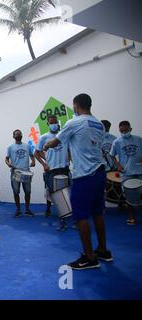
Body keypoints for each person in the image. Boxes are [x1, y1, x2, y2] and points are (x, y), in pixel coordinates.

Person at [43, 93, 112, 270]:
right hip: (100, 173)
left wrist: (45, 146)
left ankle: (89, 258)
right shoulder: (98, 124)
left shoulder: (74, 122)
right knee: (97, 213)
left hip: (84, 175)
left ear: (76, 106)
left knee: (80, 215)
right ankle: (103, 250)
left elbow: (56, 141)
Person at [34, 115, 71, 231]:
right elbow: (36, 153)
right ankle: (62, 221)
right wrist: (45, 164)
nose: (53, 124)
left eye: (55, 122)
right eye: (51, 123)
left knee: (68, 194)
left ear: (58, 123)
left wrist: (69, 159)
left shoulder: (64, 136)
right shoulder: (44, 137)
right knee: (56, 195)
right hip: (51, 170)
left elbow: (70, 150)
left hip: (64, 169)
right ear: (48, 124)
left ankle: (70, 218)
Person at [110, 121, 142, 225]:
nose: (124, 132)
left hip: (139, 171)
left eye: (126, 130)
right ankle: (132, 217)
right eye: (121, 131)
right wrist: (118, 165)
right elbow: (111, 155)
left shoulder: (139, 139)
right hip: (126, 173)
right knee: (128, 197)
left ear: (130, 129)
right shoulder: (117, 142)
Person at [5, 129, 36, 217]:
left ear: (22, 135)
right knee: (16, 191)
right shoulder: (10, 147)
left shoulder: (27, 146)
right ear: (13, 136)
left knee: (28, 192)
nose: (18, 135)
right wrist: (9, 164)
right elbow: (6, 158)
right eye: (16, 134)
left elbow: (32, 155)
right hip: (16, 172)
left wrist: (33, 161)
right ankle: (18, 209)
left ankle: (27, 209)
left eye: (19, 134)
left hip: (26, 171)